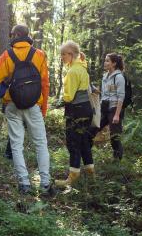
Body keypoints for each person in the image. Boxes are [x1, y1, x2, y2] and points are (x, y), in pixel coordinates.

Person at [0, 24, 53, 195]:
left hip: (13, 104)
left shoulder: (7, 55)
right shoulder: (40, 55)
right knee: (41, 144)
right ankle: (45, 184)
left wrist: (7, 76)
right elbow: (45, 84)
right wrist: (43, 109)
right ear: (27, 35)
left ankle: (24, 184)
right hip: (34, 105)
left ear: (15, 35)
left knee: (16, 145)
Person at [55, 41, 94, 188]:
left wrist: (57, 103)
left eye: (63, 54)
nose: (62, 57)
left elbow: (68, 97)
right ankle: (91, 173)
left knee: (73, 143)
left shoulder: (72, 72)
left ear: (71, 55)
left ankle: (72, 177)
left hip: (76, 110)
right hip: (87, 109)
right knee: (84, 142)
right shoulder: (82, 68)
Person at [98, 53, 126, 160]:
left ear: (114, 63)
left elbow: (121, 97)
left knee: (114, 136)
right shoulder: (105, 76)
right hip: (104, 108)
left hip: (114, 109)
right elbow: (105, 94)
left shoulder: (119, 77)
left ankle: (118, 160)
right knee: (94, 128)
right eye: (105, 60)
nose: (105, 63)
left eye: (107, 61)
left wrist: (117, 115)